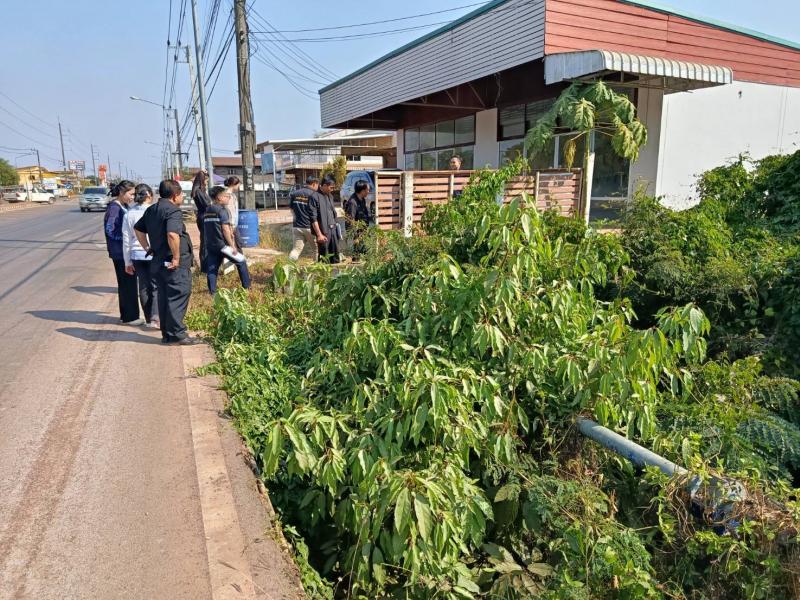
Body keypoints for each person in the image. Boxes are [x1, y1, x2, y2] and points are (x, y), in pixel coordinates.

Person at [134, 179, 199, 345]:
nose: (182, 197)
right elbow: (172, 234)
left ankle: (168, 334)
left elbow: (138, 229)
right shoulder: (173, 211)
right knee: (178, 295)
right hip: (174, 264)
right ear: (175, 195)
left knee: (164, 298)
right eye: (181, 194)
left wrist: (147, 247)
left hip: (159, 262)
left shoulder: (152, 210)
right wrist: (176, 258)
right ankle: (178, 334)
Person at [104, 180, 142, 325]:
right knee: (127, 284)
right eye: (130, 194)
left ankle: (127, 315)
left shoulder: (123, 206)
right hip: (120, 253)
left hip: (124, 251)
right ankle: (130, 317)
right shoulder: (114, 208)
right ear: (121, 192)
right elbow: (110, 230)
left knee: (128, 284)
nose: (132, 197)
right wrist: (127, 237)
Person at [201, 186, 251, 295]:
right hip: (223, 245)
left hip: (211, 245)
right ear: (219, 198)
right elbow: (225, 230)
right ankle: (247, 288)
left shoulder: (207, 210)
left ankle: (212, 292)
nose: (228, 198)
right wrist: (232, 246)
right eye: (226, 196)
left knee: (212, 268)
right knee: (241, 261)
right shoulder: (222, 210)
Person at [122, 183, 159, 329]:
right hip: (152, 253)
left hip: (136, 255)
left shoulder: (129, 214)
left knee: (143, 287)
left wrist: (127, 262)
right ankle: (156, 318)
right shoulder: (154, 211)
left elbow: (126, 240)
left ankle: (149, 319)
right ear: (149, 194)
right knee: (155, 286)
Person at [309, 176, 340, 264]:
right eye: (331, 187)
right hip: (323, 232)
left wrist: (336, 227)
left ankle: (336, 272)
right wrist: (319, 235)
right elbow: (313, 218)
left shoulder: (330, 196)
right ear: (325, 185)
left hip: (333, 230)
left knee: (335, 256)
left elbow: (332, 213)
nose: (332, 190)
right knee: (324, 257)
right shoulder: (314, 197)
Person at [288, 176, 319, 261]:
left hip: (297, 226)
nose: (318, 187)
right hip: (310, 227)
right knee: (317, 250)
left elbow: (291, 209)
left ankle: (290, 265)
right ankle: (317, 267)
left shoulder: (294, 194)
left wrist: (296, 219)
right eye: (317, 185)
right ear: (314, 184)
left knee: (296, 249)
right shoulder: (314, 195)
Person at [344, 179, 373, 258]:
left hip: (363, 231)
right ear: (362, 191)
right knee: (357, 253)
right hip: (357, 233)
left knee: (364, 251)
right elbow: (350, 220)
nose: (368, 191)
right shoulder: (352, 202)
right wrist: (355, 236)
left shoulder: (362, 199)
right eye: (367, 190)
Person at [224, 176, 242, 249]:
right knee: (237, 244)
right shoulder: (228, 195)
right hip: (231, 224)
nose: (238, 187)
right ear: (234, 184)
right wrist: (231, 225)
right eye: (238, 185)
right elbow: (229, 211)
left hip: (233, 224)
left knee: (237, 244)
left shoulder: (232, 194)